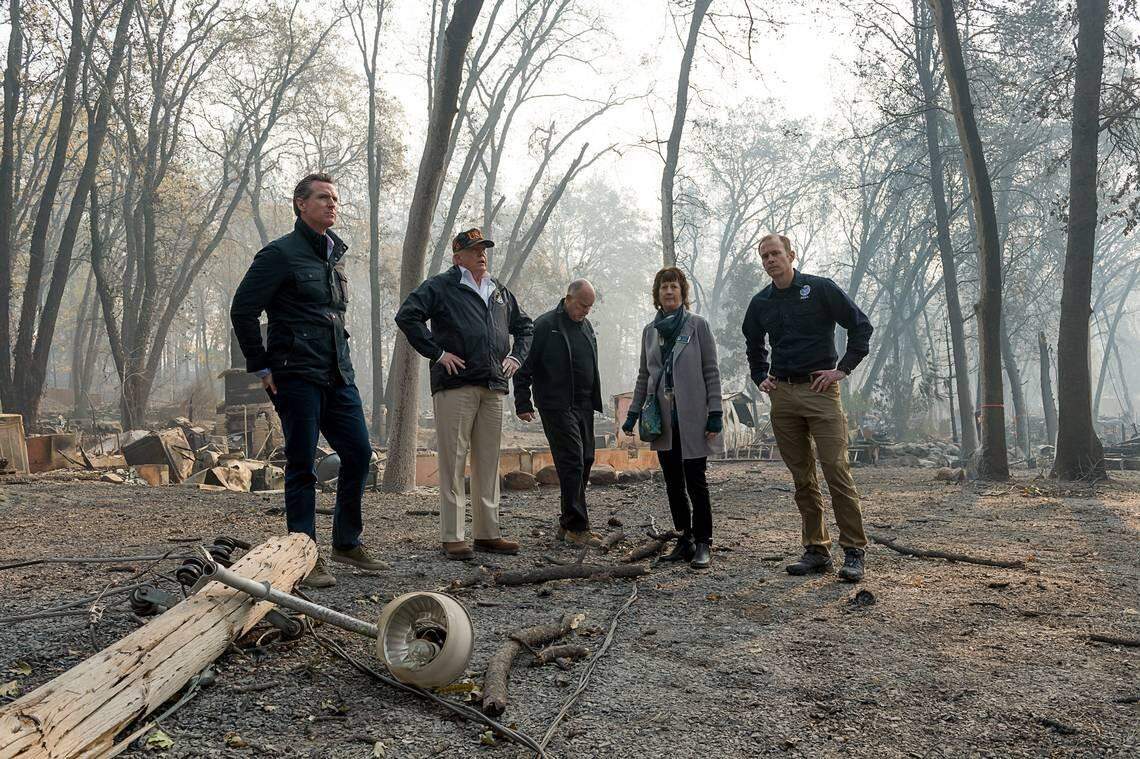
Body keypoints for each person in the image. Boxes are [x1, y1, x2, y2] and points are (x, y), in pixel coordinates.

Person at [230, 173, 387, 589]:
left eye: (335, 198)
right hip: (295, 374)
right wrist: (262, 367)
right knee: (302, 466)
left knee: (359, 454)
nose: (332, 204)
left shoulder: (332, 256)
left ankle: (346, 542)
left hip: (338, 372)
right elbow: (243, 311)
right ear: (300, 204)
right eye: (322, 198)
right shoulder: (279, 254)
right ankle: (304, 555)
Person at [395, 228, 533, 560]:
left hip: (493, 386)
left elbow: (525, 326)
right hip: (455, 385)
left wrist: (515, 357)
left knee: (488, 462)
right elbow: (407, 316)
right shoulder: (441, 286)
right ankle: (453, 536)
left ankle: (488, 534)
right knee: (453, 461)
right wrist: (437, 353)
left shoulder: (498, 291)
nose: (482, 254)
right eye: (474, 250)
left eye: (484, 249)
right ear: (458, 257)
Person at [742, 233, 874, 582]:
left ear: (791, 255)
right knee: (802, 477)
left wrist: (842, 370)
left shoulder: (819, 289)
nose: (770, 260)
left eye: (776, 253)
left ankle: (854, 551)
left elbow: (861, 326)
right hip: (782, 395)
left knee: (835, 468)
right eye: (765, 256)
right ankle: (816, 549)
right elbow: (753, 343)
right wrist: (760, 376)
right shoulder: (761, 303)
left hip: (820, 390)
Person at [622, 267, 722, 570]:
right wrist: (632, 413)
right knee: (672, 483)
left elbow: (711, 371)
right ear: (657, 294)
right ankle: (684, 538)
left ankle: (704, 542)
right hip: (663, 421)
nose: (669, 292)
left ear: (682, 292)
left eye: (674, 287)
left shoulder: (697, 326)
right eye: (664, 287)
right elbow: (644, 375)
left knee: (696, 482)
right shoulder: (650, 331)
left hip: (693, 416)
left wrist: (715, 412)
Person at [513, 279, 604, 547]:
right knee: (572, 459)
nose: (586, 311)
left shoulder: (586, 326)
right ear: (568, 298)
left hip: (584, 405)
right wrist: (523, 402)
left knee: (586, 458)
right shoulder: (545, 325)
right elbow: (525, 365)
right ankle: (577, 527)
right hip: (556, 404)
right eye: (582, 305)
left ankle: (568, 523)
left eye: (590, 306)